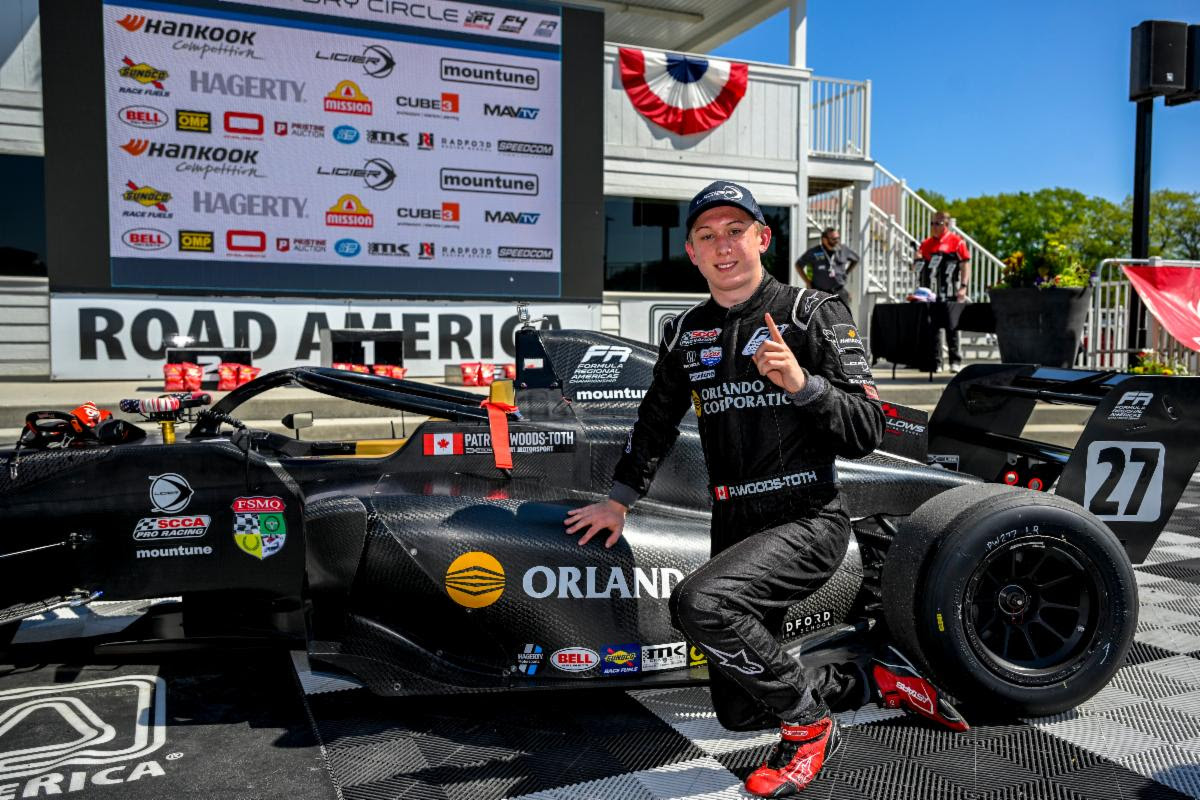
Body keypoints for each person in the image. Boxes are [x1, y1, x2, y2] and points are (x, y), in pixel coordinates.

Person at [564, 181, 968, 797]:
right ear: (692, 254)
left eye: (735, 231)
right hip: (733, 523)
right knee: (741, 711)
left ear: (763, 238)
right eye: (707, 236)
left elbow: (866, 430)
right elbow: (653, 424)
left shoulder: (812, 312)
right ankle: (866, 679)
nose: (723, 245)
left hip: (808, 517)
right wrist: (618, 501)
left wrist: (803, 384)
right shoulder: (685, 332)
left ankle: (808, 728)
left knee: (702, 605)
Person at [916, 212, 972, 373]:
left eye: (937, 224)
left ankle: (955, 360)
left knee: (951, 325)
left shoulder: (956, 241)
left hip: (950, 290)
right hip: (931, 293)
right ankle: (936, 361)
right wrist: (916, 259)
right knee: (932, 327)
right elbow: (918, 267)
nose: (933, 227)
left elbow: (965, 265)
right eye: (931, 223)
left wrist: (963, 286)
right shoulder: (926, 243)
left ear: (945, 224)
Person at [794, 227, 859, 306]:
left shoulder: (843, 249)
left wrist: (846, 272)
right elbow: (798, 265)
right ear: (824, 240)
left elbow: (855, 259)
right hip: (820, 294)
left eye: (838, 238)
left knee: (843, 317)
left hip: (839, 292)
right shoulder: (814, 252)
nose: (837, 241)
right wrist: (808, 282)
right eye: (834, 239)